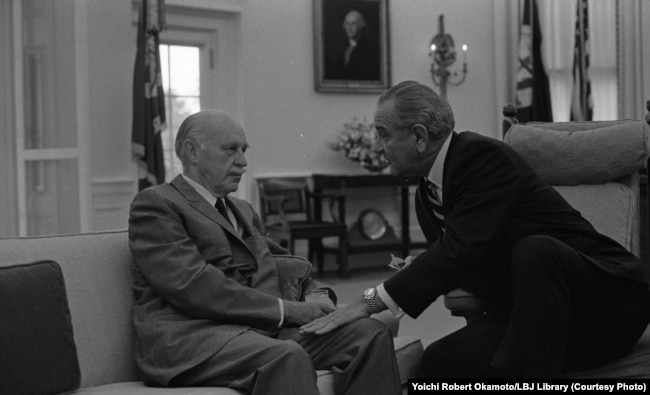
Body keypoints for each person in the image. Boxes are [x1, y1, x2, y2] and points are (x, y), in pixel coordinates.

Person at [301, 80, 650, 378]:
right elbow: (465, 256)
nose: (380, 146)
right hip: (534, 318)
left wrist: (369, 301)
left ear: (419, 136)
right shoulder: (427, 191)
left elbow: (459, 251)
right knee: (439, 364)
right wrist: (422, 269)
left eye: (384, 135)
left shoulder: (482, 158)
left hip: (606, 306)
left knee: (536, 249)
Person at [128, 110, 402, 395]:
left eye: (244, 150)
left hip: (258, 332)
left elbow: (287, 265)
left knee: (369, 334)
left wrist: (316, 297)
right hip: (193, 340)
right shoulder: (157, 204)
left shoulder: (242, 209)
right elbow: (193, 285)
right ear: (192, 151)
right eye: (231, 150)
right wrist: (290, 311)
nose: (243, 163)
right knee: (286, 357)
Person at [326, 10, 380, 81]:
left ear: (361, 26)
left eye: (353, 24)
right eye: (347, 24)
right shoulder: (342, 49)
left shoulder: (368, 51)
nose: (349, 28)